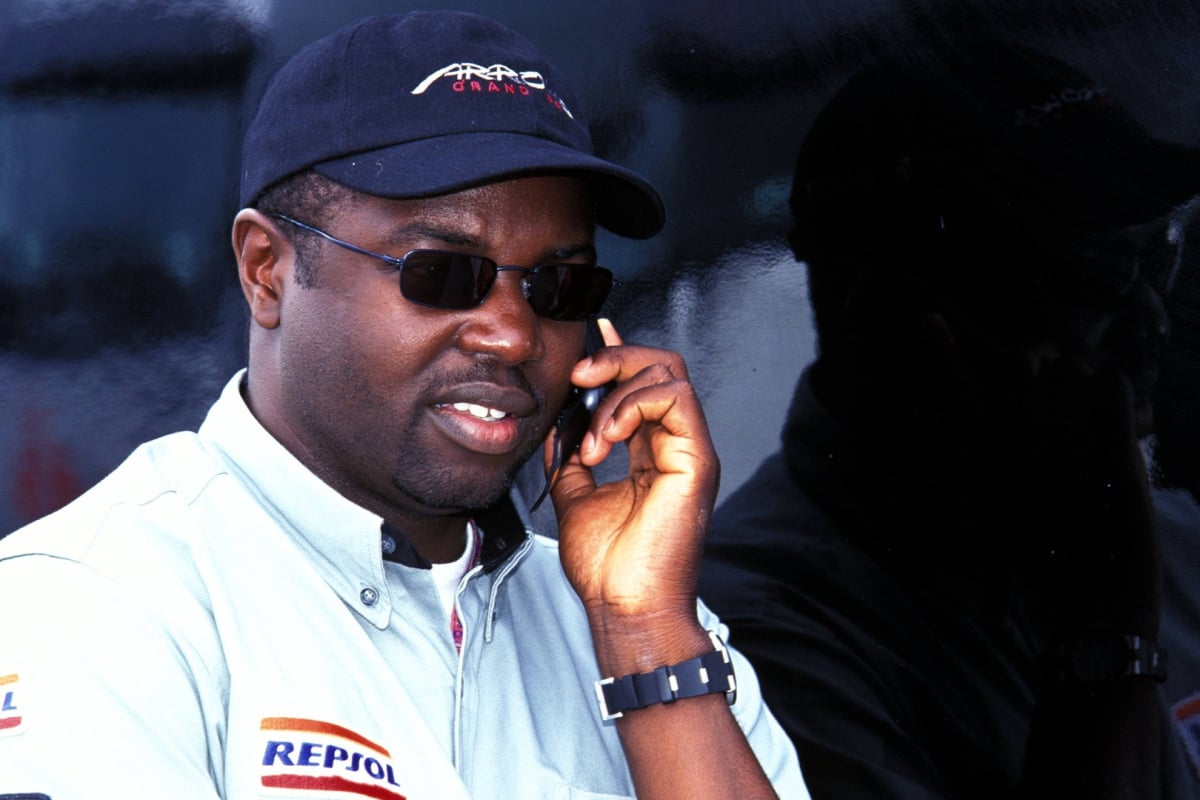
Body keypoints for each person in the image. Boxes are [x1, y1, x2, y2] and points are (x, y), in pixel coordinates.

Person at [0, 11, 805, 799]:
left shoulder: (639, 622)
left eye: (560, 286)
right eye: (444, 273)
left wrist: (644, 635)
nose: (512, 335)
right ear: (266, 271)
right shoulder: (93, 606)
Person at [697, 37, 1200, 799]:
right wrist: (1107, 642)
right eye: (1094, 275)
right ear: (897, 325)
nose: (1150, 324)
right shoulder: (751, 640)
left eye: (1156, 258)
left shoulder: (1174, 544)